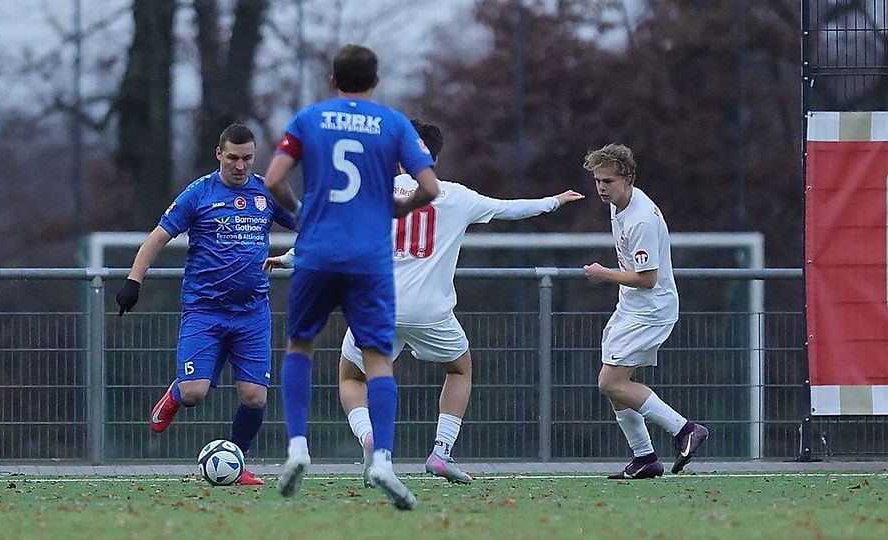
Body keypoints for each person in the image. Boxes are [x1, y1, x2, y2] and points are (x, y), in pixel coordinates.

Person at [267, 118, 584, 486]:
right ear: (434, 158)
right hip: (430, 312)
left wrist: (289, 258)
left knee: (352, 377)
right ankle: (441, 452)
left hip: (378, 306)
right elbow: (508, 209)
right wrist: (554, 202)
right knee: (460, 369)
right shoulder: (458, 197)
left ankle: (370, 439)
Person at [263, 44, 440, 510]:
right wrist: (401, 207)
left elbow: (273, 180)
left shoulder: (310, 119)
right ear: (375, 81)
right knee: (377, 359)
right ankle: (382, 459)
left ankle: (298, 448)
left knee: (300, 346)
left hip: (317, 252)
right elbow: (430, 188)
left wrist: (302, 213)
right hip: (370, 259)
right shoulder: (393, 124)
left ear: (333, 80)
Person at [114, 123, 297, 486]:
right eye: (233, 158)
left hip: (252, 313)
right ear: (219, 154)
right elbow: (157, 238)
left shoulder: (267, 192)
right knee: (194, 392)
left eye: (247, 158)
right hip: (205, 310)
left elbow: (312, 226)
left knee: (254, 397)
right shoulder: (199, 193)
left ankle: (236, 461)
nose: (240, 166)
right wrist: (133, 282)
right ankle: (174, 395)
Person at [581, 143, 708, 479]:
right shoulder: (619, 205)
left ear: (628, 178)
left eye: (608, 181)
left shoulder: (641, 220)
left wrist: (604, 274)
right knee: (616, 385)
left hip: (651, 311)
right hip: (631, 307)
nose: (601, 188)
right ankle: (645, 458)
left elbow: (648, 279)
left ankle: (685, 429)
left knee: (610, 382)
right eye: (597, 181)